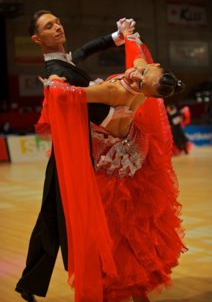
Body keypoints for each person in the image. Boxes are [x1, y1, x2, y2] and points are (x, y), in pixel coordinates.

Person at [37, 27, 187, 302]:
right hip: (133, 158)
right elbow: (138, 58)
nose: (135, 74)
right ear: (151, 67)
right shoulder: (145, 84)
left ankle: (114, 287)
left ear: (148, 92)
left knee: (111, 232)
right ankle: (137, 290)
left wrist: (54, 81)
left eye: (141, 79)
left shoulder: (112, 90)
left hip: (110, 163)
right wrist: (128, 37)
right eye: (142, 71)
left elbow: (68, 95)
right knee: (133, 228)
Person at [15, 10, 136, 302]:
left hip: (69, 155)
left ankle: (31, 283)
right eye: (48, 26)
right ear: (36, 39)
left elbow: (84, 50)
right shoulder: (57, 72)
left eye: (57, 22)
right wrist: (115, 117)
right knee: (68, 220)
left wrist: (115, 37)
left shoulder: (63, 61)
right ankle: (88, 276)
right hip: (71, 159)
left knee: (51, 218)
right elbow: (87, 104)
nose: (57, 27)